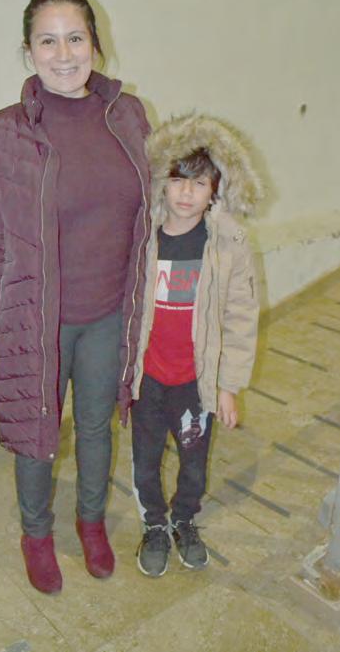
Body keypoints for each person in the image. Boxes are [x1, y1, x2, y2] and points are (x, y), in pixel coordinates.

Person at [0, 0, 150, 594]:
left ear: (95, 43)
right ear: (28, 51)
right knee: (36, 430)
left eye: (75, 38)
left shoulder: (129, 115)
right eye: (48, 40)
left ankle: (91, 523)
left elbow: (153, 209)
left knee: (96, 426)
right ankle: (36, 534)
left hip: (110, 311)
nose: (64, 54)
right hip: (37, 316)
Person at [130, 112, 261, 577]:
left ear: (215, 190)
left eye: (200, 183)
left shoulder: (226, 244)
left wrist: (228, 386)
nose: (186, 193)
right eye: (178, 180)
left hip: (194, 382)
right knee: (145, 460)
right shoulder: (142, 238)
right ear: (161, 183)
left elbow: (241, 318)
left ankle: (184, 518)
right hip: (148, 379)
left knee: (193, 462)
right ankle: (154, 523)